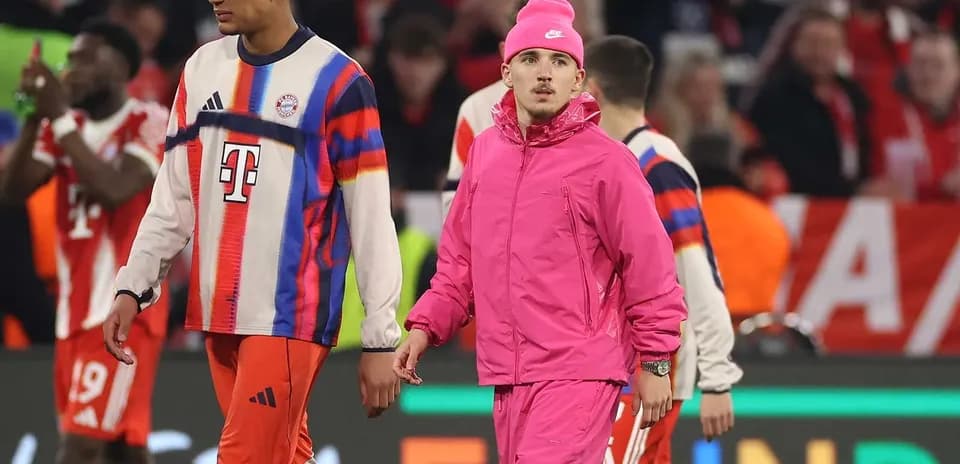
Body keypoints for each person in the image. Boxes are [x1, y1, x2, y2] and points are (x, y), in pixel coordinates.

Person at [100, 0, 404, 462]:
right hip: (217, 312)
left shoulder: (339, 81)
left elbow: (371, 215)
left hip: (288, 316)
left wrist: (381, 336)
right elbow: (174, 198)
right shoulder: (201, 68)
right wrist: (133, 285)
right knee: (284, 454)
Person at [394, 1, 688, 462]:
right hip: (508, 375)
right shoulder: (484, 154)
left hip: (580, 371)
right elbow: (460, 264)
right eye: (530, 59)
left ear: (579, 78)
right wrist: (424, 327)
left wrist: (655, 362)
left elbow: (649, 266)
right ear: (506, 73)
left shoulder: (608, 162)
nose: (545, 73)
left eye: (560, 61)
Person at [0, 20, 168, 464]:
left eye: (86, 58)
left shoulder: (149, 120)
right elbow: (11, 193)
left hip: (123, 311)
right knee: (122, 448)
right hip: (73, 313)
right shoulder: (65, 126)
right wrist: (36, 115)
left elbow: (115, 188)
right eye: (69, 60)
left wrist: (57, 117)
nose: (72, 69)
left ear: (121, 67)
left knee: (80, 447)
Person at [584, 35, 744, 464]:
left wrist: (717, 378)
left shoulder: (656, 166)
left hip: (648, 370)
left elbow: (695, 270)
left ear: (592, 90)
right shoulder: (616, 160)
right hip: (613, 364)